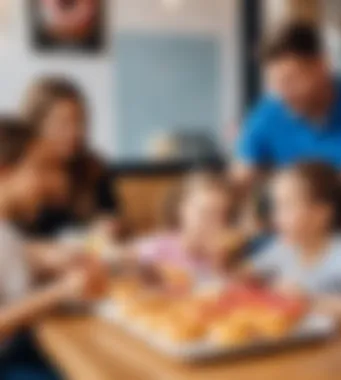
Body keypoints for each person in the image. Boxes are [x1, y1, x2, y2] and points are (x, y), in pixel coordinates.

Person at [232, 21, 341, 256]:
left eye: (291, 80)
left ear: (322, 66)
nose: (283, 94)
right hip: (295, 249)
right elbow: (239, 181)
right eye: (275, 84)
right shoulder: (267, 114)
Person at [0, 117, 104, 379]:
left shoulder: (9, 233)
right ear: (4, 172)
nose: (50, 184)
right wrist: (61, 291)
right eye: (40, 169)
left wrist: (49, 265)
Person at [247, 162, 341, 322]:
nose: (276, 216)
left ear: (321, 213)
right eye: (276, 206)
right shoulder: (283, 247)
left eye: (287, 205)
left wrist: (312, 301)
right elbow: (240, 278)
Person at [21, 76, 117, 238]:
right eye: (63, 123)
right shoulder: (18, 174)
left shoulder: (93, 168)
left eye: (80, 122)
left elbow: (113, 217)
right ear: (36, 126)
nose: (75, 132)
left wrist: (114, 226)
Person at [126, 171, 244, 286]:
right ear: (181, 211)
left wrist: (219, 262)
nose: (214, 222)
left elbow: (226, 291)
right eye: (206, 213)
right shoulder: (158, 248)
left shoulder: (226, 255)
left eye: (222, 215)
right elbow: (126, 263)